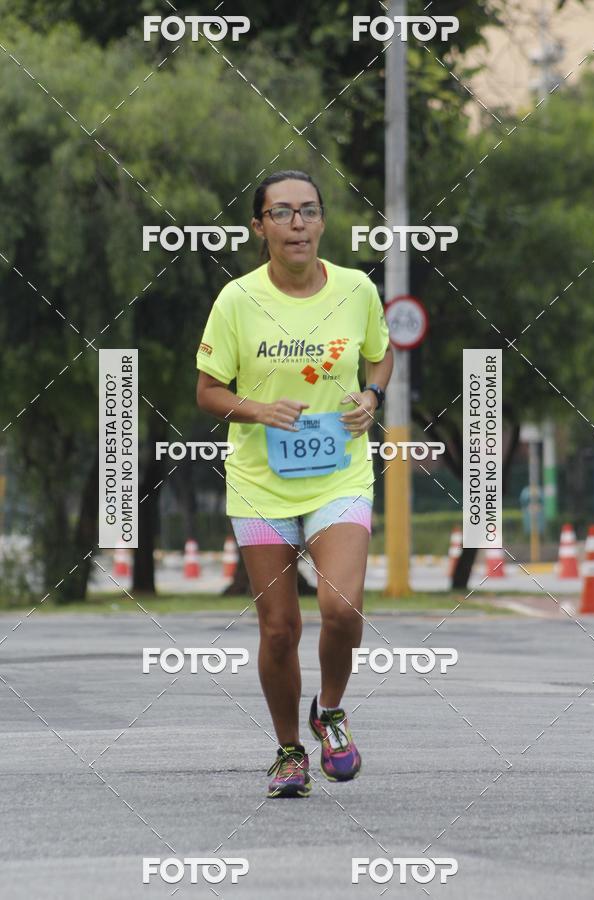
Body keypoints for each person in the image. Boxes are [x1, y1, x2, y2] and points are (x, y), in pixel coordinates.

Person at [196, 169, 393, 798]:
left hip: (340, 473)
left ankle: (329, 711)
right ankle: (288, 752)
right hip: (260, 482)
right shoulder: (237, 300)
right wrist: (259, 410)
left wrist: (372, 393)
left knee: (342, 607)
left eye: (308, 210)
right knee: (279, 628)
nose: (297, 223)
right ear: (261, 227)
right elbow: (208, 391)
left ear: (323, 221)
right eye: (281, 212)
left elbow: (380, 352)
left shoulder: (357, 289)